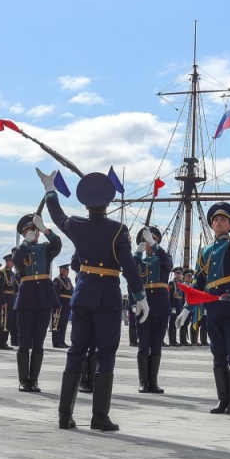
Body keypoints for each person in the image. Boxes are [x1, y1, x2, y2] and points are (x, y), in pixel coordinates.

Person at [47, 170, 145, 431]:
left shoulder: (77, 226)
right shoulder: (118, 230)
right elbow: (129, 267)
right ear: (108, 203)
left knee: (76, 351)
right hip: (107, 298)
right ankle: (99, 416)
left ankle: (64, 415)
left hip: (83, 294)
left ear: (85, 204)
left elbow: (58, 217)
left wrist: (50, 192)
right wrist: (140, 295)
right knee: (106, 354)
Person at [176, 202, 230, 413]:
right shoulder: (206, 251)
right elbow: (199, 283)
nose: (218, 221)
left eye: (224, 219)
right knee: (218, 353)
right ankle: (223, 399)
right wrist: (187, 308)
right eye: (215, 219)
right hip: (214, 307)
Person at [13, 201, 63, 393]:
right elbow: (17, 263)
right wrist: (26, 242)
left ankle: (34, 379)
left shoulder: (44, 248)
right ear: (24, 233)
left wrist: (47, 229)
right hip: (27, 297)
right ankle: (23, 380)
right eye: (30, 230)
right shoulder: (19, 250)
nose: (35, 234)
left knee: (39, 342)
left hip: (44, 296)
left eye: (36, 231)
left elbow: (57, 245)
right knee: (25, 341)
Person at [133, 226, 173, 394]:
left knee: (156, 344)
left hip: (160, 304)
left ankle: (153, 382)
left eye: (152, 240)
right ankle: (143, 382)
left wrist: (155, 245)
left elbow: (168, 265)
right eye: (146, 241)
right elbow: (130, 275)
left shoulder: (164, 256)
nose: (149, 243)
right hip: (143, 304)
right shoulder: (139, 260)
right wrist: (136, 254)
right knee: (143, 344)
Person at [0, 254, 18, 350]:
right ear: (7, 261)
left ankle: (4, 341)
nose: (12, 263)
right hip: (5, 298)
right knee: (3, 321)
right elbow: (0, 288)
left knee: (9, 322)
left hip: (11, 298)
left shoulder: (12, 274)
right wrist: (3, 301)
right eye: (10, 261)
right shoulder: (2, 273)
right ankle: (1, 342)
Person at [52, 263, 73, 348]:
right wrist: (57, 304)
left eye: (68, 270)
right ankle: (56, 342)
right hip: (60, 304)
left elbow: (71, 291)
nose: (67, 272)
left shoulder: (68, 280)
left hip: (67, 304)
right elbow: (55, 293)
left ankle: (62, 341)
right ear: (61, 270)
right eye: (66, 270)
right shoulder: (57, 280)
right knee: (57, 324)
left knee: (64, 323)